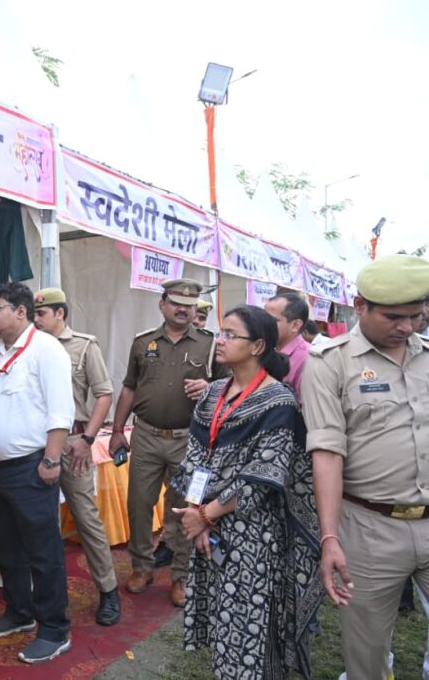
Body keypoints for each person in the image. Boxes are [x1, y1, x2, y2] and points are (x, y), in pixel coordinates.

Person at [170, 305, 321, 678]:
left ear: (257, 346)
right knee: (223, 621)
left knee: (250, 625)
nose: (219, 341)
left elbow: (263, 476)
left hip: (254, 532)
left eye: (229, 335)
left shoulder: (279, 402)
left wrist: (205, 516)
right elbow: (195, 457)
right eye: (220, 332)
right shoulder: (213, 393)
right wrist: (196, 512)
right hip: (210, 526)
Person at [303, 254, 429, 680]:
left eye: (416, 315)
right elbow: (327, 451)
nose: (407, 327)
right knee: (368, 655)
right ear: (359, 306)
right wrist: (330, 537)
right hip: (370, 528)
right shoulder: (330, 362)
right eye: (393, 317)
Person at [109, 278, 227, 607]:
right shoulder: (143, 343)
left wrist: (210, 388)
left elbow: (229, 388)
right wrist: (117, 430)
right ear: (162, 305)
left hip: (189, 440)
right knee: (138, 504)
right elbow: (129, 387)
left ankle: (180, 575)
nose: (182, 310)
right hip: (146, 436)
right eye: (176, 303)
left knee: (184, 507)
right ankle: (141, 567)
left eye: (189, 305)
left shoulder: (210, 345)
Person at [0, 282, 74, 665]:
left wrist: (51, 461)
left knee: (42, 552)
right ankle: (19, 612)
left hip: (30, 468)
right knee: (6, 546)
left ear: (21, 311)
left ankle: (54, 630)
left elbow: (60, 411)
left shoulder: (46, 350)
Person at [32, 287, 121, 626]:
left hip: (72, 443)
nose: (36, 319)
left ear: (60, 313)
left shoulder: (83, 346)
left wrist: (87, 439)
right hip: (34, 442)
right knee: (41, 521)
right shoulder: (29, 347)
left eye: (42, 313)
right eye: (34, 313)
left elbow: (104, 394)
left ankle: (108, 589)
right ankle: (48, 593)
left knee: (85, 516)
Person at [264, 291, 311, 404]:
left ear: (295, 325)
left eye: (271, 320)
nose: (264, 324)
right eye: (263, 318)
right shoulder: (265, 350)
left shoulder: (307, 358)